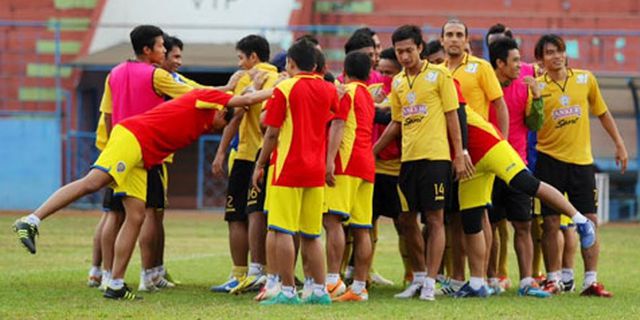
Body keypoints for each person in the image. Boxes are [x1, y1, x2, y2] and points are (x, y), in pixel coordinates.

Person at [12, 81, 270, 300]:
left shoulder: (208, 119)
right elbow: (241, 98)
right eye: (223, 118)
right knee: (93, 182)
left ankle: (115, 284)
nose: (220, 126)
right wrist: (276, 90)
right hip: (133, 137)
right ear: (218, 107)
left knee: (136, 216)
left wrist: (240, 102)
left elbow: (238, 108)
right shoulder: (203, 98)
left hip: (143, 157)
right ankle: (31, 220)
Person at [448, 80, 597, 298]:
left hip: (489, 145)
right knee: (471, 220)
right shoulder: (408, 85)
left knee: (527, 184)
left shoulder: (444, 79)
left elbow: (460, 115)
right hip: (471, 161)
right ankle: (478, 283)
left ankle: (581, 221)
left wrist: (461, 151)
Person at [374, 24, 468, 301]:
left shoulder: (440, 75)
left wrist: (459, 155)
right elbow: (396, 122)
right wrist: (374, 151)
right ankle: (417, 277)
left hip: (436, 158)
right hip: (409, 161)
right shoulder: (400, 82)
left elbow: (453, 116)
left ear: (420, 48)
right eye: (400, 51)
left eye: (408, 50)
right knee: (405, 219)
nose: (404, 56)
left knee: (436, 219)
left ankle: (430, 282)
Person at [534, 34, 627, 297]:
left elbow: (603, 113)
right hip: (549, 161)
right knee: (550, 223)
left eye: (560, 51)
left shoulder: (585, 79)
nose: (557, 56)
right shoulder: (537, 87)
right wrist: (537, 99)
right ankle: (553, 279)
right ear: (540, 59)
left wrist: (619, 143)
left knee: (590, 220)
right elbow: (532, 123)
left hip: (582, 163)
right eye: (550, 52)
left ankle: (590, 281)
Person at [251, 39, 339, 305]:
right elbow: (338, 116)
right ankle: (319, 290)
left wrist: (260, 164)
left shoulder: (284, 89)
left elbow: (272, 132)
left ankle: (287, 291)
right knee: (312, 234)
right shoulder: (329, 90)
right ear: (315, 65)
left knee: (282, 231)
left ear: (290, 63)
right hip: (315, 169)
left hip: (288, 167)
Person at [441, 19, 509, 293]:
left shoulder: (480, 67)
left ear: (467, 39)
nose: (454, 39)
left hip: (479, 152)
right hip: (449, 153)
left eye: (459, 34)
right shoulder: (437, 71)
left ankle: (487, 276)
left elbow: (499, 104)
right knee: (456, 217)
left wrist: (501, 142)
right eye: (450, 35)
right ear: (442, 40)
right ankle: (459, 277)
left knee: (480, 214)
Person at [210, 34, 279, 294]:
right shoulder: (280, 78)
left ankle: (244, 273)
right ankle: (265, 271)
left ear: (253, 57)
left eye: (241, 57)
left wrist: (220, 152)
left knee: (240, 216)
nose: (239, 64)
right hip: (271, 155)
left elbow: (235, 117)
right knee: (262, 214)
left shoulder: (248, 78)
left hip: (248, 155)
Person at [487, 37, 548, 297]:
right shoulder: (484, 83)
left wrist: (537, 97)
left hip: (517, 163)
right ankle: (490, 278)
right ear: (500, 64)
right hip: (488, 164)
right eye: (514, 60)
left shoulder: (526, 82)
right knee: (488, 224)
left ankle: (526, 280)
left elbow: (534, 124)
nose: (519, 65)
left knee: (522, 224)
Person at [324, 51, 376, 302]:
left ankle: (333, 281)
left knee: (333, 221)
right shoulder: (366, 94)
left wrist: (329, 161)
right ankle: (358, 288)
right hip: (367, 165)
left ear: (345, 71)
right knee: (362, 228)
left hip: (346, 162)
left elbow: (339, 124)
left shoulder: (347, 92)